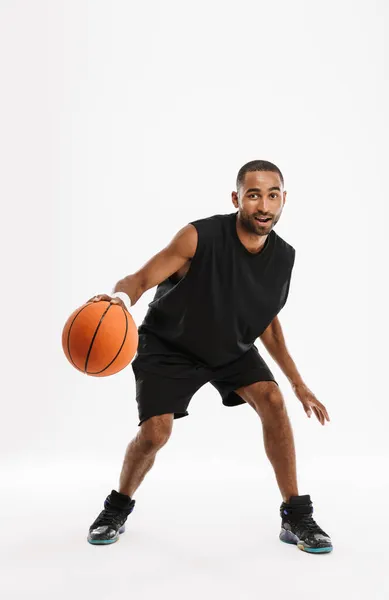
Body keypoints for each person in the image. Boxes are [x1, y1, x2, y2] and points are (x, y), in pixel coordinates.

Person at [85, 159, 332, 553]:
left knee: (272, 400)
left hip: (229, 347)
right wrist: (118, 299)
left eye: (272, 195)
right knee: (154, 435)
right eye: (253, 195)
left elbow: (266, 322)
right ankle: (116, 508)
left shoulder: (283, 257)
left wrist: (299, 384)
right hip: (169, 345)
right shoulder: (198, 237)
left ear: (284, 199)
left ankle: (296, 515)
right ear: (237, 198)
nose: (264, 205)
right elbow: (141, 278)